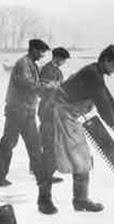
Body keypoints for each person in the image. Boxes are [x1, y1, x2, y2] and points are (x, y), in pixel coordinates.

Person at [37, 45, 114, 214]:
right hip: (57, 115)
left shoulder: (96, 73)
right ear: (106, 60)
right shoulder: (92, 74)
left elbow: (108, 98)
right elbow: (102, 103)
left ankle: (79, 200)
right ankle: (47, 201)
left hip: (66, 116)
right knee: (55, 157)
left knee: (78, 157)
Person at [0, 39, 58, 187]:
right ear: (33, 49)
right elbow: (27, 84)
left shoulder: (31, 64)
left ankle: (42, 177)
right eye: (41, 52)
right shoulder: (23, 63)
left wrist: (48, 91)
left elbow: (34, 87)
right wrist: (47, 86)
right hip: (16, 110)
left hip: (27, 111)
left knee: (34, 144)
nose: (42, 55)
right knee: (9, 143)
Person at [35, 47, 71, 184]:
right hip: (48, 109)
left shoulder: (57, 71)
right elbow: (42, 90)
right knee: (49, 141)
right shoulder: (47, 70)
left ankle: (42, 170)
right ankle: (45, 175)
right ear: (56, 58)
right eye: (63, 60)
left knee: (49, 140)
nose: (64, 62)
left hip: (55, 109)